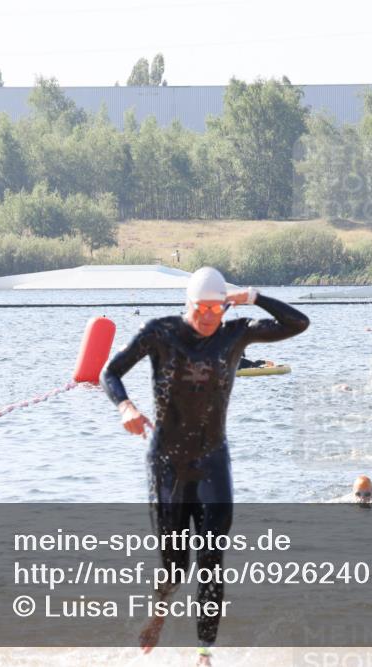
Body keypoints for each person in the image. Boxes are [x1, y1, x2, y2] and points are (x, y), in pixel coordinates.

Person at [101, 266, 309, 664]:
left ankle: (204, 653)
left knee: (212, 559)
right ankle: (159, 611)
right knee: (175, 567)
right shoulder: (159, 332)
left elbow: (297, 323)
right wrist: (125, 406)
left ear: (225, 306)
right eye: (202, 308)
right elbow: (110, 372)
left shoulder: (237, 333)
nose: (210, 316)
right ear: (189, 304)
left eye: (217, 308)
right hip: (168, 464)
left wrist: (253, 296)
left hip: (213, 460)